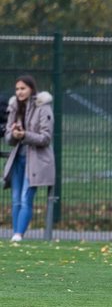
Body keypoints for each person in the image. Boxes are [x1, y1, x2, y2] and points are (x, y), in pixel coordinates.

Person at [4, 75, 54, 241]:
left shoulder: (43, 107)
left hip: (36, 161)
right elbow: (8, 138)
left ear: (31, 89)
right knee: (15, 198)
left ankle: (18, 235)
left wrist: (25, 134)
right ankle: (15, 234)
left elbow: (45, 138)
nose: (19, 92)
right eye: (17, 89)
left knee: (26, 198)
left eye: (23, 88)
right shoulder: (14, 107)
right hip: (18, 159)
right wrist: (15, 133)